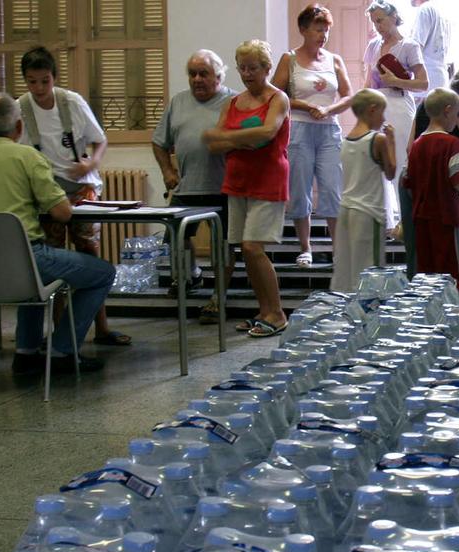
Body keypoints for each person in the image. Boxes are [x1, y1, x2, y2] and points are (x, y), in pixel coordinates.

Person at [0, 94, 114, 374]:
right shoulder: (28, 157)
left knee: (30, 273)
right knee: (101, 273)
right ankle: (63, 351)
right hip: (22, 265)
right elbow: (62, 213)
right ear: (18, 128)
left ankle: (26, 352)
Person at [17, 46, 128, 346]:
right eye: (32, 82)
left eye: (45, 81)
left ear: (54, 78)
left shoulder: (72, 102)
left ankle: (102, 327)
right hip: (45, 192)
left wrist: (91, 163)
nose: (39, 89)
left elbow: (100, 139)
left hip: (81, 187)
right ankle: (61, 333)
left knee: (89, 256)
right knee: (55, 262)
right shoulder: (21, 109)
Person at [203, 40, 291, 338]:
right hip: (238, 181)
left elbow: (269, 132)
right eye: (242, 68)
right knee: (244, 249)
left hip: (268, 180)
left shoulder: (278, 99)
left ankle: (277, 313)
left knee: (254, 247)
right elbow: (212, 141)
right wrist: (243, 140)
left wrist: (232, 137)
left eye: (253, 68)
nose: (247, 73)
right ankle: (263, 310)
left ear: (267, 68)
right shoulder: (232, 102)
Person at [151, 49, 237, 316]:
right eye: (192, 74)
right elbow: (158, 142)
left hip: (224, 188)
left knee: (222, 246)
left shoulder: (234, 101)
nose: (197, 79)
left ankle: (218, 296)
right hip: (187, 187)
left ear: (219, 76)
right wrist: (167, 170)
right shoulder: (178, 102)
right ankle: (192, 274)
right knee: (176, 238)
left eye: (204, 73)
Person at [271, 4, 352, 269]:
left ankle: (338, 249)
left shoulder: (334, 60)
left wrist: (328, 109)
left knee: (332, 188)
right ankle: (306, 248)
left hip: (329, 130)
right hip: (300, 130)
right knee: (300, 188)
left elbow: (350, 96)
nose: (323, 35)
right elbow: (276, 96)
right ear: (303, 29)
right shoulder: (289, 59)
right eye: (318, 29)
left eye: (326, 30)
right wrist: (307, 106)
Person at [401, 63, 459, 275]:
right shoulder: (455, 109)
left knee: (419, 252)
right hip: (444, 201)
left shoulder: (429, 101)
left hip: (419, 190)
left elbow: (409, 148)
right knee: (450, 259)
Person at [363, 1, 428, 229]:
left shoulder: (409, 45)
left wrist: (396, 81)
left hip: (399, 104)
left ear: (393, 17)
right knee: (376, 160)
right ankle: (384, 219)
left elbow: (423, 83)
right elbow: (367, 82)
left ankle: (405, 218)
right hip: (376, 106)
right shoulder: (372, 46)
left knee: (401, 159)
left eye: (380, 20)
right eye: (374, 22)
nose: (377, 26)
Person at [403, 88, 459, 291]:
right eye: (457, 115)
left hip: (422, 218)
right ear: (448, 111)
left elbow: (408, 181)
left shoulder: (416, 145)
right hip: (448, 217)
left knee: (427, 268)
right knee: (453, 270)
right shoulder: (452, 143)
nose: (456, 121)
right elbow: (457, 180)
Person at [333, 89, 396, 292]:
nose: (383, 118)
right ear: (372, 110)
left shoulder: (345, 140)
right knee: (371, 270)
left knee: (346, 267)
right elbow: (390, 172)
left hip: (346, 209)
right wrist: (392, 141)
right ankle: (368, 318)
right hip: (369, 212)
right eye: (382, 112)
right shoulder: (377, 139)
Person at [410, 0, 450, 94]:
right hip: (440, 79)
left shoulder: (425, 9)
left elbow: (415, 48)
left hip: (425, 81)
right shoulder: (442, 12)